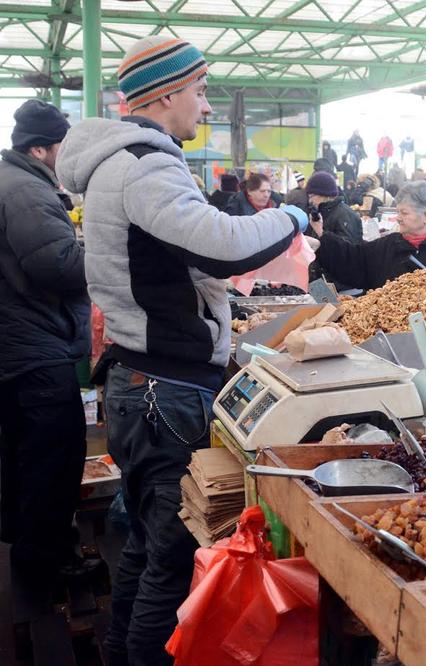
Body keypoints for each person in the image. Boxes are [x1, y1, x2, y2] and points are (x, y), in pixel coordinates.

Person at [55, 35, 308, 666]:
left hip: (140, 380)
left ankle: (120, 653)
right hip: (165, 387)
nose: (205, 103)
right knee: (168, 560)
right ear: (165, 93)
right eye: (198, 90)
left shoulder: (124, 162)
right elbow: (220, 243)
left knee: (143, 547)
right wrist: (293, 219)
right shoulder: (144, 164)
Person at [0, 100, 91, 600]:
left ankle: (31, 558)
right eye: (63, 147)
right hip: (35, 349)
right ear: (41, 148)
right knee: (52, 460)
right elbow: (59, 267)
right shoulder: (28, 191)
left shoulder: (15, 183)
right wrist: (99, 248)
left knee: (24, 456)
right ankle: (43, 574)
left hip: (16, 346)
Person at [313, 180, 426, 290]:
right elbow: (355, 258)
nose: (398, 218)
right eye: (398, 212)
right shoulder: (389, 244)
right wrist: (322, 240)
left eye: (404, 213)